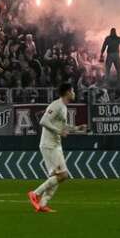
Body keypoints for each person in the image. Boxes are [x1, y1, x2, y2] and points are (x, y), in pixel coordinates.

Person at [29, 82, 82, 213]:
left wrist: (76, 128)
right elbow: (43, 121)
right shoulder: (56, 105)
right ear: (68, 92)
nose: (74, 93)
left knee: (58, 176)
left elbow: (62, 126)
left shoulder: (63, 107)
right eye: (73, 91)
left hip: (56, 145)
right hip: (49, 145)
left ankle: (42, 204)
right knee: (63, 175)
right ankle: (35, 193)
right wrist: (59, 132)